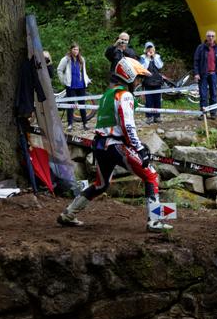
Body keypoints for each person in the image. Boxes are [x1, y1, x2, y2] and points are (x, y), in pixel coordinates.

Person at [56, 57, 172, 232]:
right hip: (114, 145)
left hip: (100, 146)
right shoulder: (124, 95)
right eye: (138, 78)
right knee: (151, 175)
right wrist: (139, 148)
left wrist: (135, 144)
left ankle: (68, 214)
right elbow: (127, 125)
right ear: (129, 76)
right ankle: (154, 221)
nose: (139, 82)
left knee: (101, 185)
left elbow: (112, 124)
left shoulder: (107, 95)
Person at [57, 43, 92, 131]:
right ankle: (70, 124)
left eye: (77, 49)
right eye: (74, 49)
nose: (76, 51)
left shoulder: (82, 59)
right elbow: (59, 70)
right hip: (71, 85)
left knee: (82, 105)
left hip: (81, 85)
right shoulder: (66, 59)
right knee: (70, 105)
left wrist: (87, 79)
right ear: (71, 50)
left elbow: (83, 71)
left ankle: (85, 123)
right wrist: (63, 81)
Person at [193, 30, 217, 120]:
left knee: (214, 94)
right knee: (203, 94)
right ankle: (203, 113)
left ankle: (213, 113)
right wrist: (196, 73)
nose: (210, 37)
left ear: (215, 37)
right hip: (202, 75)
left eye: (212, 36)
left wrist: (216, 71)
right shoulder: (200, 48)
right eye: (209, 36)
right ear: (206, 37)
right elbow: (196, 61)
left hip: (213, 74)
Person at [140, 41, 165, 124]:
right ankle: (149, 117)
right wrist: (148, 57)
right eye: (148, 48)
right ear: (145, 49)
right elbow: (143, 68)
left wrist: (154, 56)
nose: (150, 50)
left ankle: (157, 116)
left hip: (157, 81)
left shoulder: (157, 56)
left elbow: (160, 66)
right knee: (149, 101)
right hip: (147, 82)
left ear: (154, 48)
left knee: (157, 100)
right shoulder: (143, 57)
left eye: (151, 48)